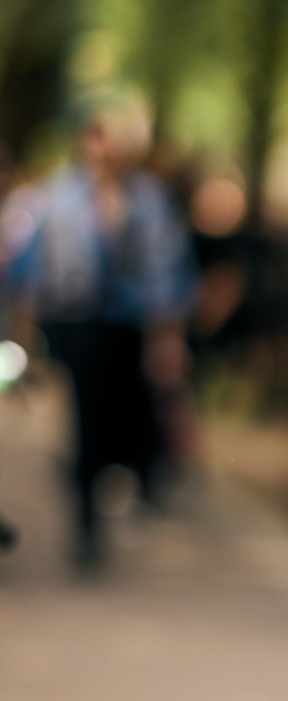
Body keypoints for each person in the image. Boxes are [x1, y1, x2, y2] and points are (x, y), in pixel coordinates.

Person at [7, 96, 194, 569]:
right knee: (87, 416)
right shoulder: (55, 196)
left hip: (128, 325)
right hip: (75, 322)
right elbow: (28, 268)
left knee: (122, 417)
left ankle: (108, 481)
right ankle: (86, 519)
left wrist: (168, 336)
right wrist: (24, 334)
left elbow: (168, 272)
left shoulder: (148, 200)